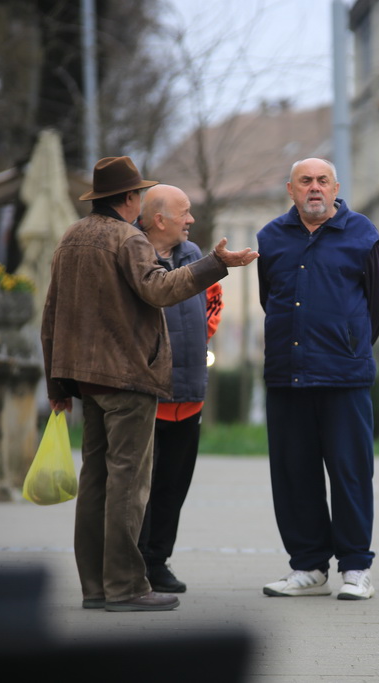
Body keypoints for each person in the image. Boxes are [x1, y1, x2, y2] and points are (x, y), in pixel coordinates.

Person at [41, 156, 257, 612]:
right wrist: (216, 263)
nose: (139, 202)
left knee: (95, 481)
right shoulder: (128, 238)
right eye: (137, 194)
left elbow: (52, 315)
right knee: (128, 483)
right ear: (128, 199)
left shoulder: (71, 238)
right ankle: (126, 587)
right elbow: (159, 289)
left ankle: (95, 587)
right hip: (128, 378)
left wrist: (57, 384)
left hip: (85, 380)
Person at [256, 158, 379, 601]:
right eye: (305, 181)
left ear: (335, 188)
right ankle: (308, 567)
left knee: (351, 474)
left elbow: (377, 306)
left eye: (322, 181)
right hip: (286, 376)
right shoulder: (271, 238)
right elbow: (267, 298)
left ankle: (356, 568)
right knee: (294, 475)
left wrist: (348, 343)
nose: (314, 188)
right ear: (290, 189)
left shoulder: (362, 234)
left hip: (344, 376)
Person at [135, 184, 223, 594]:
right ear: (159, 219)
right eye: (184, 212)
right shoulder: (132, 255)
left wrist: (196, 341)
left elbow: (214, 304)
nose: (191, 220)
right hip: (146, 397)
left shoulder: (195, 256)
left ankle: (158, 561)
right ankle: (133, 563)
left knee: (173, 486)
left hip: (189, 395)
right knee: (140, 490)